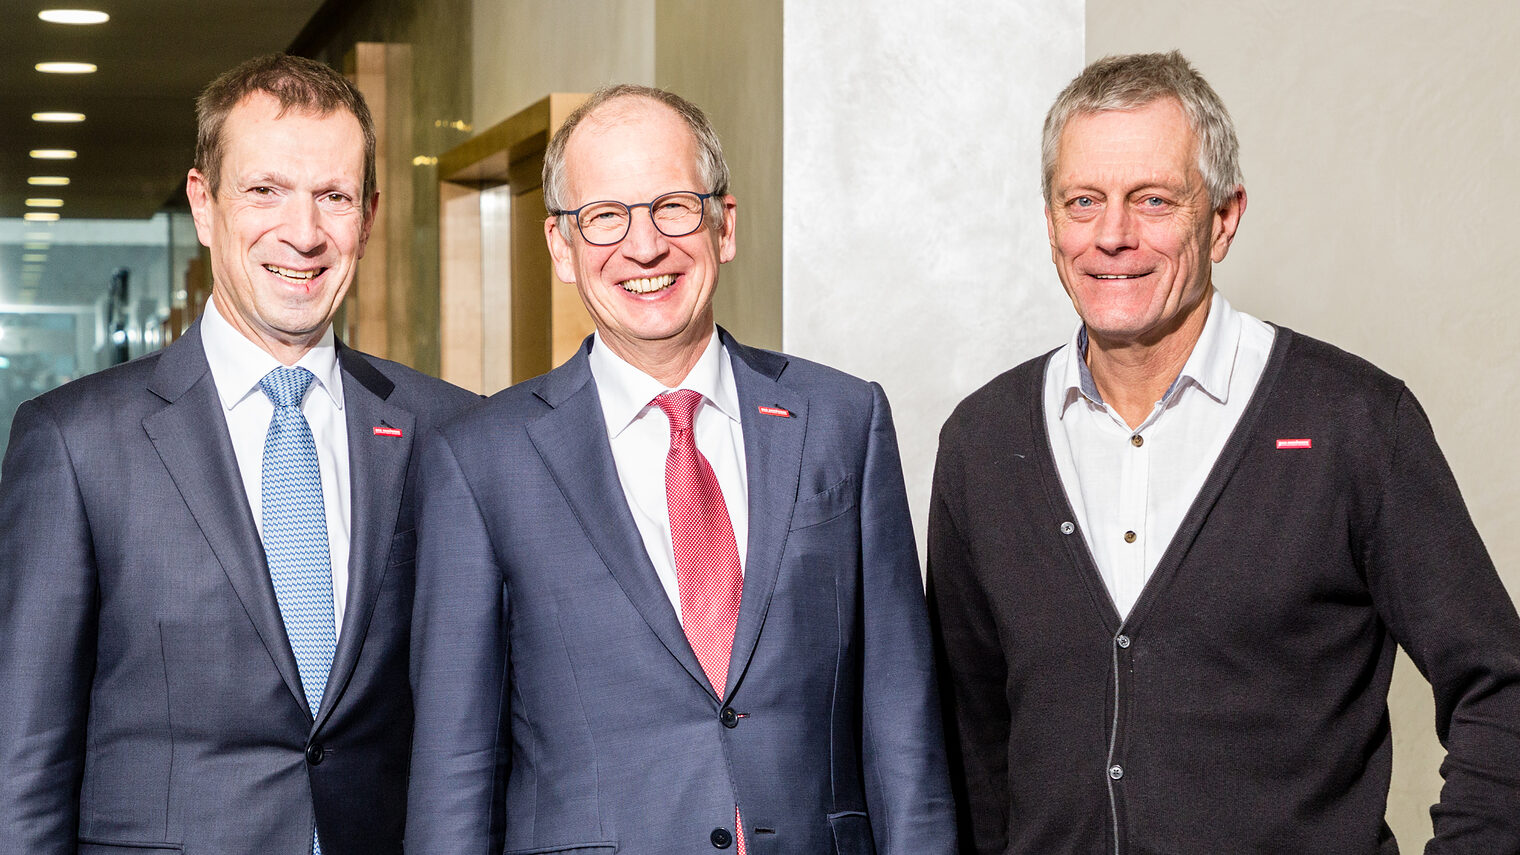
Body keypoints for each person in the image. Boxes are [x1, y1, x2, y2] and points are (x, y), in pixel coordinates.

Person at [928, 51, 1520, 854]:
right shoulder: (983, 444)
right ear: (1050, 220)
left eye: (1154, 200)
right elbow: (972, 738)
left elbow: (1501, 686)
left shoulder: (1354, 422)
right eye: (1084, 201)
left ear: (1224, 218)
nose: (1113, 236)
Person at [405, 84, 956, 854]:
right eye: (605, 216)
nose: (644, 247)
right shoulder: (481, 461)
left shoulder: (843, 421)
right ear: (561, 247)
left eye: (673, 206)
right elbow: (455, 770)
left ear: (724, 225)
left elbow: (904, 723)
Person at [0, 54, 478, 855]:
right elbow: (24, 765)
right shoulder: (74, 444)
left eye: (334, 196)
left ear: (369, 214)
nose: (303, 232)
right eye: (266, 191)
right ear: (204, 202)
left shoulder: (450, 432)